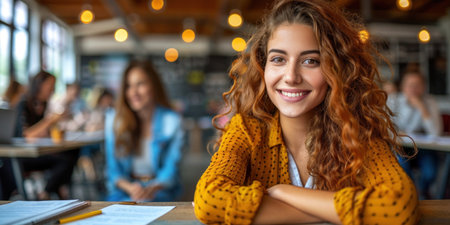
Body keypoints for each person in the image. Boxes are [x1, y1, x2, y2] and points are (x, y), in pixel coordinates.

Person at [194, 0, 419, 224]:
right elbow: (209, 201)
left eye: (311, 61)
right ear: (263, 67)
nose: (291, 76)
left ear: (337, 69)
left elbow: (397, 207)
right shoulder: (246, 130)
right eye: (278, 59)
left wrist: (284, 193)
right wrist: (325, 210)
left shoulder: (358, 133)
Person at [105, 60, 184, 202]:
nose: (133, 92)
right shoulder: (114, 120)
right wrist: (132, 189)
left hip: (160, 192)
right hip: (124, 191)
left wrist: (150, 189)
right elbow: (113, 172)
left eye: (140, 84)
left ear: (153, 86)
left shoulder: (172, 121)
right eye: (128, 86)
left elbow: (171, 170)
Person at [13, 71, 79, 200]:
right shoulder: (23, 104)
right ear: (39, 85)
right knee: (64, 160)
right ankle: (48, 193)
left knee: (72, 152)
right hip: (22, 156)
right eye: (50, 85)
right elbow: (27, 135)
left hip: (38, 152)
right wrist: (50, 120)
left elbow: (43, 133)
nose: (52, 90)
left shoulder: (44, 104)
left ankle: (54, 189)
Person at [388, 70, 443, 199]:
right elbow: (385, 127)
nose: (413, 89)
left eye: (417, 85)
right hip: (399, 146)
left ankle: (420, 192)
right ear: (403, 86)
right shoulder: (393, 100)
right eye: (410, 85)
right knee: (401, 167)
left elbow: (436, 132)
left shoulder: (430, 102)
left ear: (424, 87)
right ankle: (411, 194)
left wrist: (422, 107)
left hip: (422, 148)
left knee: (430, 172)